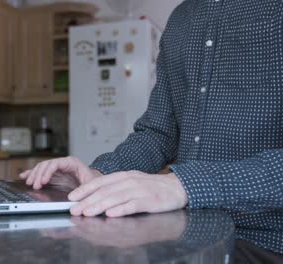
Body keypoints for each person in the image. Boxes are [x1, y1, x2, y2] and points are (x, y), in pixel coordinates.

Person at [20, 0, 283, 218]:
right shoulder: (181, 18)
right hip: (185, 226)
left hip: (264, 237)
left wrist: (185, 185)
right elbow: (158, 133)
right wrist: (99, 175)